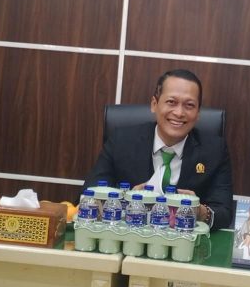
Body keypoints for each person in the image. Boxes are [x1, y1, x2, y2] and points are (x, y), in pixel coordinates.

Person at [83, 69, 233, 230]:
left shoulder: (214, 150)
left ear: (198, 113)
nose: (179, 113)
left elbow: (224, 213)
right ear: (154, 104)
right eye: (171, 102)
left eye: (189, 105)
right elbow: (87, 195)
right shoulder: (121, 141)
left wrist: (200, 212)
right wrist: (127, 201)